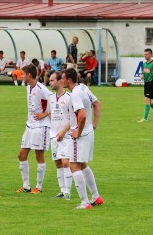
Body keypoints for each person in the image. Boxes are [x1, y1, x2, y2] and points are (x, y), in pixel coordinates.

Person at [62, 68, 103, 209]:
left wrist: (78, 132)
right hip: (89, 132)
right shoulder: (84, 87)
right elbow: (97, 104)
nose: (62, 81)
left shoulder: (74, 94)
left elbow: (83, 114)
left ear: (69, 80)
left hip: (80, 135)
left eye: (63, 78)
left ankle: (84, 202)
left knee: (74, 166)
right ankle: (96, 197)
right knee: (83, 164)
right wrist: (94, 124)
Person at [16, 64, 51, 194]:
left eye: (23, 74)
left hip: (41, 126)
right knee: (21, 155)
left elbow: (54, 100)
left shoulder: (42, 88)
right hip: (30, 125)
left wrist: (45, 113)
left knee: (39, 155)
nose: (21, 76)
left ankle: (39, 187)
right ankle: (26, 186)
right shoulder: (27, 87)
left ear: (29, 75)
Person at [48, 72, 72, 200]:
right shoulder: (51, 97)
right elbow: (51, 113)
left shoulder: (69, 97)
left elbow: (74, 118)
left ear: (60, 81)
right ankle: (62, 190)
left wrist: (63, 131)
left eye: (52, 80)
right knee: (57, 163)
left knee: (65, 162)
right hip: (53, 136)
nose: (49, 83)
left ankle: (68, 192)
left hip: (66, 136)